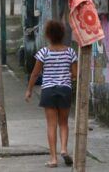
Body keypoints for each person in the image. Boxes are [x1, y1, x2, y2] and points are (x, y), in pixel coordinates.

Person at [25, 20, 78, 168]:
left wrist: (29, 90)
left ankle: (53, 159)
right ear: (62, 35)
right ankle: (64, 150)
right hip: (65, 90)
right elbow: (75, 74)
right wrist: (67, 75)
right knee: (64, 123)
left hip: (48, 90)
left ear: (48, 35)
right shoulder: (70, 52)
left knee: (51, 125)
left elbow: (35, 74)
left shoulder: (43, 53)